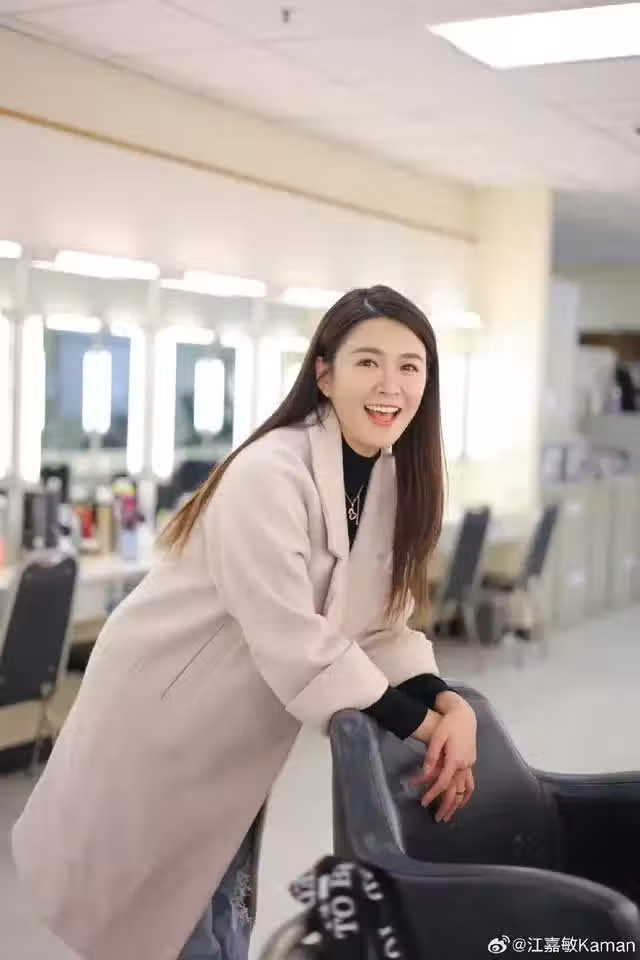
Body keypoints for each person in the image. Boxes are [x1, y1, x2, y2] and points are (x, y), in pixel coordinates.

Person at [11, 285, 477, 960]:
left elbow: (382, 629)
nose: (390, 385)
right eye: (368, 362)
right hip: (162, 718)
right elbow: (296, 640)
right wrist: (430, 730)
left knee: (215, 905)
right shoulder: (270, 472)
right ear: (325, 374)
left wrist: (449, 704)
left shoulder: (387, 481)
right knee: (171, 919)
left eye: (410, 366)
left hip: (234, 733)